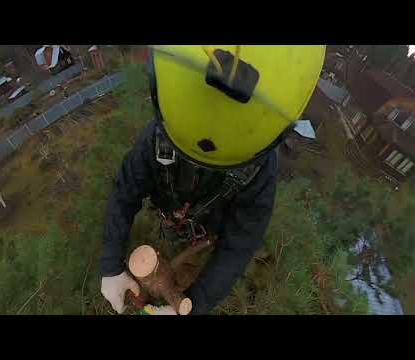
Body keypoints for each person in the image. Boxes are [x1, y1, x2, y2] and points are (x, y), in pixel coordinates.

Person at [100, 45, 325, 315]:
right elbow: (126, 190)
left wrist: (196, 302)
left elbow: (238, 245)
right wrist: (111, 264)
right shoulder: (160, 137)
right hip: (173, 215)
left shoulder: (258, 171)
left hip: (206, 233)